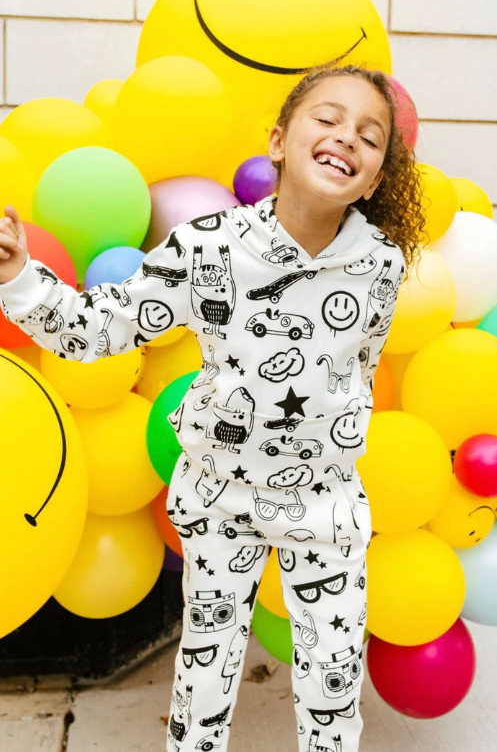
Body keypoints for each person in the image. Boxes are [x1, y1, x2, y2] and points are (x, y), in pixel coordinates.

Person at [0, 64, 425, 752]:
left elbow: (352, 374)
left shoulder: (381, 265)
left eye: (370, 136)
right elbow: (102, 326)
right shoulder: (208, 248)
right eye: (327, 119)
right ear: (278, 142)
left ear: (375, 179)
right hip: (220, 492)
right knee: (205, 677)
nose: (347, 136)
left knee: (334, 684)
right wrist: (20, 280)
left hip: (324, 499)